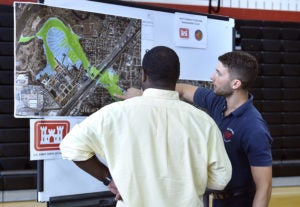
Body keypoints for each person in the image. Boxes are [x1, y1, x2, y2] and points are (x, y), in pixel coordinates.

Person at [60, 46, 232, 207]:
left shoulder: (113, 114)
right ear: (176, 77)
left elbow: (71, 147)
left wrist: (108, 179)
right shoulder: (203, 123)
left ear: (143, 75)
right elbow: (220, 179)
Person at [176, 51, 273, 207]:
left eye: (218, 73)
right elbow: (183, 89)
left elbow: (265, 187)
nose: (212, 77)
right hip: (217, 200)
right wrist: (148, 95)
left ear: (235, 84)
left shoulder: (254, 128)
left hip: (240, 202)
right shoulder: (218, 102)